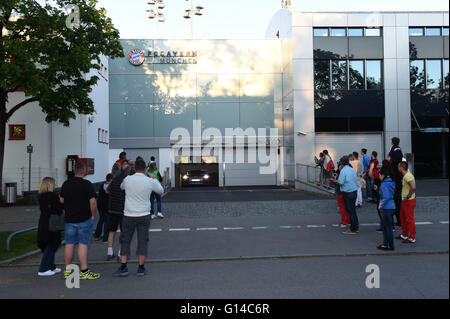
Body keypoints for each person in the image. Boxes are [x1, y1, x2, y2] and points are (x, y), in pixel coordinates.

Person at [114, 159, 164, 277]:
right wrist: (154, 178)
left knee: (125, 240)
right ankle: (141, 268)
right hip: (144, 214)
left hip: (129, 214)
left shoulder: (127, 179)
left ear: (134, 168)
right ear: (145, 168)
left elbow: (122, 187)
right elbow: (160, 191)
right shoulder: (149, 181)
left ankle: (124, 267)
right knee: (143, 240)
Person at [60, 162, 100, 280]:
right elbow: (92, 202)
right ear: (84, 171)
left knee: (69, 244)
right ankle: (84, 270)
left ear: (74, 171)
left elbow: (61, 200)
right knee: (83, 244)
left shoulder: (66, 183)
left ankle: (68, 270)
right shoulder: (87, 184)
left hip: (69, 219)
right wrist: (93, 215)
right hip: (84, 219)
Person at [37, 177, 63, 276]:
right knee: (53, 243)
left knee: (49, 244)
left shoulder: (41, 196)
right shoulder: (53, 195)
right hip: (53, 222)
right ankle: (43, 268)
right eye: (54, 183)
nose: (55, 184)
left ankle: (51, 266)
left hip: (44, 221)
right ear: (50, 184)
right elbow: (59, 209)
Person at [105, 162, 131, 261]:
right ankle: (121, 254)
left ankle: (109, 252)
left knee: (111, 231)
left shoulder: (114, 180)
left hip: (112, 209)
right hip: (123, 210)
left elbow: (107, 191)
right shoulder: (126, 180)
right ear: (128, 172)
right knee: (123, 232)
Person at [337, 156, 359, 235]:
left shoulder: (343, 171)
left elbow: (341, 182)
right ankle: (355, 226)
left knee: (350, 212)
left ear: (342, 163)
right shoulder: (352, 169)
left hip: (347, 192)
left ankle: (353, 229)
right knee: (353, 211)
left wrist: (336, 181)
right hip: (354, 191)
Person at [376, 166, 396, 250]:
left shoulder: (384, 184)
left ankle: (389, 245)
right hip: (392, 206)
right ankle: (386, 244)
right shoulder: (391, 182)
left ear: (383, 175)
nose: (379, 176)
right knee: (387, 227)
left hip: (386, 208)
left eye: (380, 175)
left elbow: (385, 197)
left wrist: (380, 206)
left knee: (387, 228)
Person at [397, 161, 417, 244]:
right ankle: (404, 234)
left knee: (409, 220)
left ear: (401, 167)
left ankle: (412, 237)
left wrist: (408, 196)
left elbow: (413, 187)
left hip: (408, 201)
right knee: (403, 218)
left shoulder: (407, 176)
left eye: (398, 166)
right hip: (405, 201)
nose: (398, 168)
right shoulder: (406, 175)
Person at [93, 173, 113, 243]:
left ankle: (97, 235)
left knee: (101, 220)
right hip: (107, 206)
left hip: (100, 206)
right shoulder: (110, 187)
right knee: (107, 222)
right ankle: (105, 238)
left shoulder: (102, 185)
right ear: (111, 179)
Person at [330, 158, 349, 227]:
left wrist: (335, 180)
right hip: (349, 191)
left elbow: (340, 183)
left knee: (342, 207)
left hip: (341, 191)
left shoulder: (343, 171)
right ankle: (349, 221)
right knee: (348, 207)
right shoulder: (351, 170)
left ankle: (344, 222)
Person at [389, 137, 404, 227]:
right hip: (398, 177)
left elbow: (394, 159)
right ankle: (399, 221)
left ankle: (399, 221)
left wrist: (392, 165)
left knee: (396, 200)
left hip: (395, 177)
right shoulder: (399, 148)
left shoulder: (394, 148)